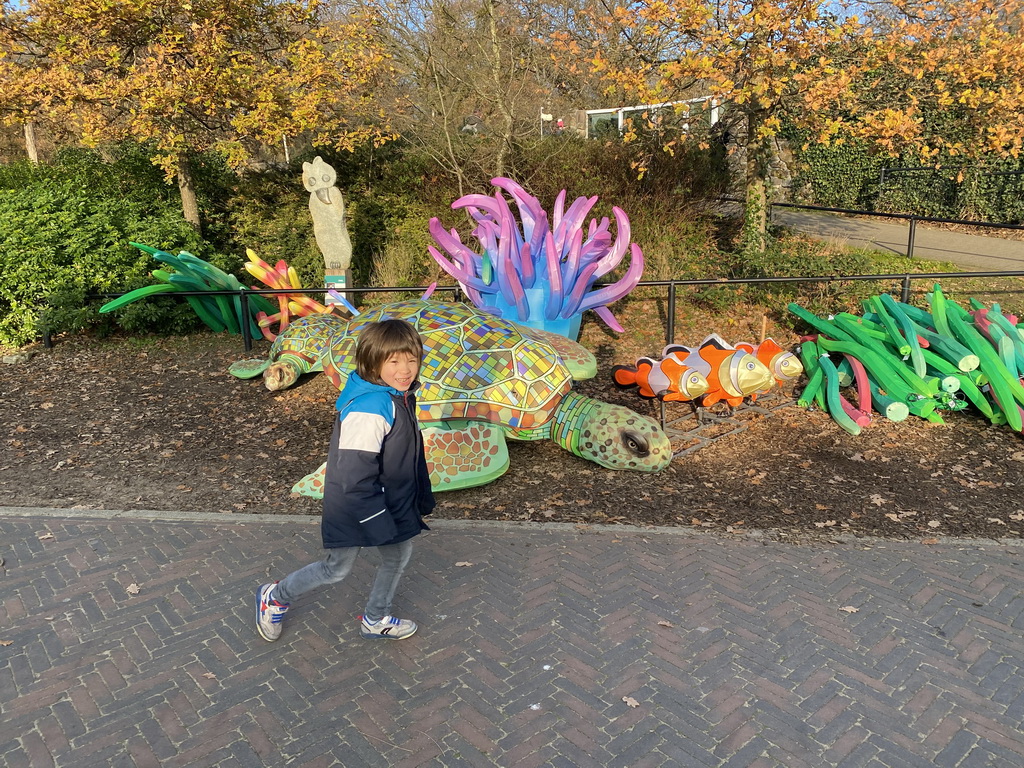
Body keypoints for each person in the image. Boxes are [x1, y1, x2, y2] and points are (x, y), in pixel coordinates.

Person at [256, 318, 435, 642]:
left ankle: (375, 618)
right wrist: (375, 517)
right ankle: (275, 596)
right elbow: (354, 476)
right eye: (394, 361)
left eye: (412, 359)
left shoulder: (398, 396)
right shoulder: (371, 407)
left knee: (397, 555)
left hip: (386, 500)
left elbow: (408, 451)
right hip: (357, 505)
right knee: (336, 569)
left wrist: (420, 494)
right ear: (373, 361)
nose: (406, 368)